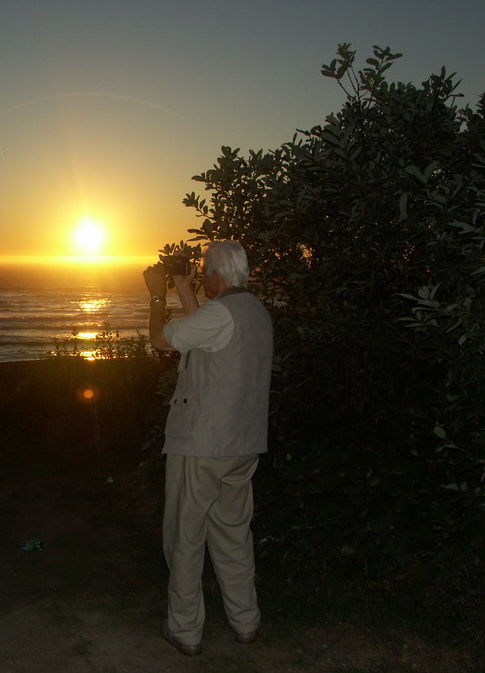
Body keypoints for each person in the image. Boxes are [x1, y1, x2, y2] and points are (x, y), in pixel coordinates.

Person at [143, 240, 273, 656]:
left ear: (216, 277)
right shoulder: (255, 311)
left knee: (185, 535)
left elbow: (163, 342)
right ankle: (245, 621)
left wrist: (158, 295)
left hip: (202, 444)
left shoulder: (220, 314)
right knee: (233, 535)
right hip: (242, 444)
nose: (202, 277)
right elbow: (204, 334)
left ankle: (185, 630)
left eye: (202, 273)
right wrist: (185, 285)